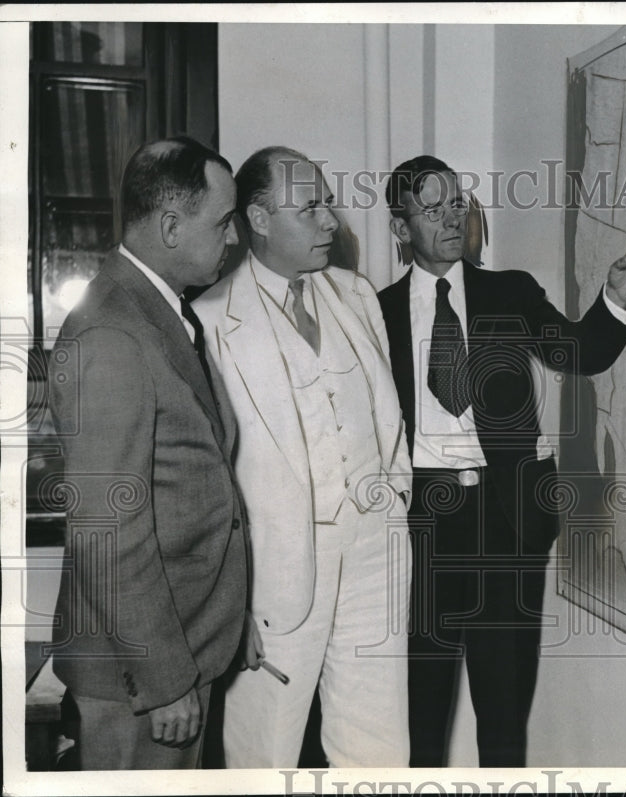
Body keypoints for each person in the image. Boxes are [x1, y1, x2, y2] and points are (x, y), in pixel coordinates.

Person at [377, 155, 626, 767]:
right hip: (422, 524)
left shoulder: (509, 291)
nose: (452, 218)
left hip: (505, 520)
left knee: (504, 711)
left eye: (457, 203)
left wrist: (617, 296)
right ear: (400, 228)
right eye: (432, 209)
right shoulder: (373, 313)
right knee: (421, 709)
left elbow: (578, 353)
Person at [194, 147, 411, 768]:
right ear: (259, 219)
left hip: (374, 557)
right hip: (277, 578)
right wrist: (234, 603)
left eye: (327, 204)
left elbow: (388, 417)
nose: (330, 222)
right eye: (310, 208)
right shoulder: (209, 322)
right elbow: (212, 481)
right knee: (264, 753)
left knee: (378, 745)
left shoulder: (355, 294)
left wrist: (395, 498)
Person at [47, 137, 248, 770]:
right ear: (170, 227)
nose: (233, 238)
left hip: (179, 644)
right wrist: (163, 679)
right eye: (222, 222)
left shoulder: (153, 310)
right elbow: (106, 528)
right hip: (140, 674)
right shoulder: (113, 330)